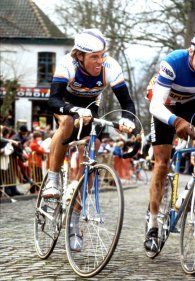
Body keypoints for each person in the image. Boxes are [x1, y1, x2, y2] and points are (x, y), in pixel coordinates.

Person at [43, 28, 136, 251]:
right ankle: (53, 178)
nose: (99, 60)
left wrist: (128, 121)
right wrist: (72, 110)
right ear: (80, 56)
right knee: (65, 123)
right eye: (94, 56)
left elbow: (127, 103)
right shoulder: (67, 64)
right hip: (65, 103)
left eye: (102, 54)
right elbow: (52, 99)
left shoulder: (109, 67)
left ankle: (75, 222)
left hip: (91, 106)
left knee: (92, 156)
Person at [144, 37, 195, 254]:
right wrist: (176, 121)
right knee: (162, 164)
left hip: (191, 105)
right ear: (191, 52)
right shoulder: (174, 62)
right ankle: (153, 224)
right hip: (165, 108)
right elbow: (155, 105)